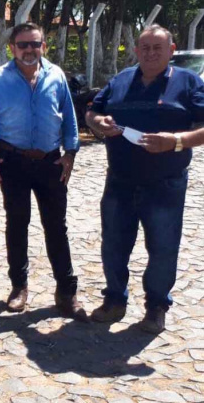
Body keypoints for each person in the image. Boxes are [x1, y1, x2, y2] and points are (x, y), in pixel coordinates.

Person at [86, 25, 204, 333]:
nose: (150, 53)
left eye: (157, 48)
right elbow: (92, 113)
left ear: (171, 50)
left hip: (165, 184)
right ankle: (114, 300)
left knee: (163, 247)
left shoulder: (189, 83)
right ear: (136, 51)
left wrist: (176, 141)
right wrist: (99, 122)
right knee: (113, 244)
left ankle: (156, 307)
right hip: (120, 181)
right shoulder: (120, 80)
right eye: (145, 48)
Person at [0, 22, 86, 320]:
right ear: (12, 47)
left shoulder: (57, 76)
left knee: (56, 227)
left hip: (51, 163)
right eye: (23, 44)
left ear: (43, 47)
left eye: (35, 44)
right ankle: (18, 287)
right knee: (17, 224)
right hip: (13, 163)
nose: (29, 50)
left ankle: (66, 291)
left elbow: (69, 119)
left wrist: (70, 153)